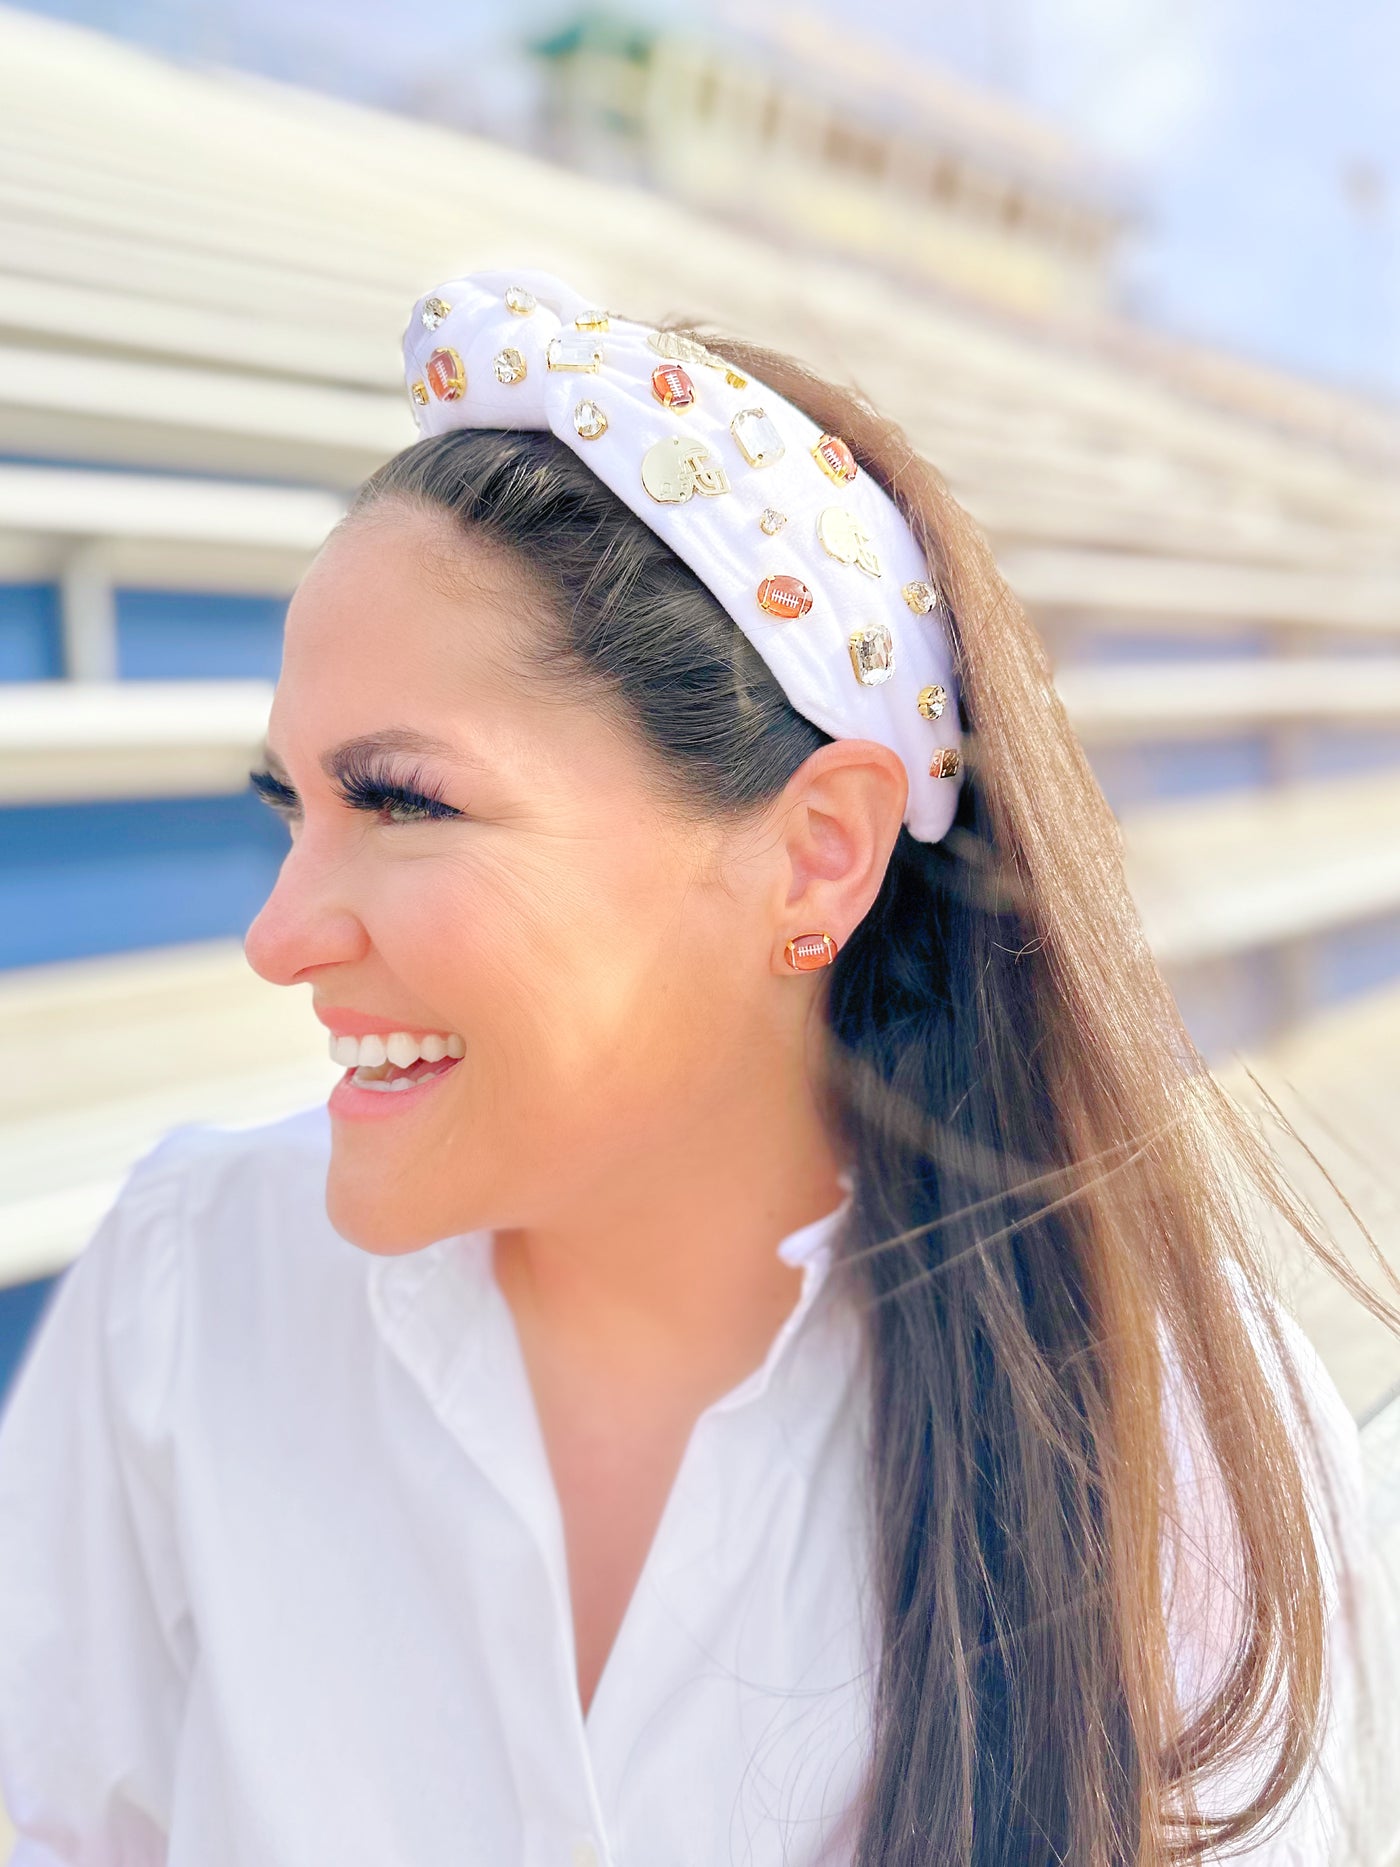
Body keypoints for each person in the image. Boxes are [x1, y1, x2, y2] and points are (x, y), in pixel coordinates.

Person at [0, 268, 1391, 1867]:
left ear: (814, 859)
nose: (281, 933)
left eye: (399, 802)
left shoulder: (1176, 1443)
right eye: (289, 808)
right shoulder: (191, 1280)